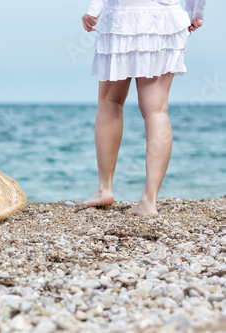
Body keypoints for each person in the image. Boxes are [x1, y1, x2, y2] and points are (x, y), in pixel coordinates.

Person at [81, 0, 206, 216]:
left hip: (123, 16)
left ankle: (104, 189)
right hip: (166, 18)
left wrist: (93, 11)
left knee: (110, 101)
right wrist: (196, 14)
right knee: (157, 110)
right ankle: (149, 201)